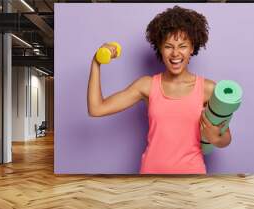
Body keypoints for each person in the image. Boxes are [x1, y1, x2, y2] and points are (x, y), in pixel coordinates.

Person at [87, 6, 231, 174]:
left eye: (183, 46)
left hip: (192, 176)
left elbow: (226, 139)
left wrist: (215, 137)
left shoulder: (208, 89)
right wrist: (96, 63)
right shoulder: (147, 85)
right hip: (150, 176)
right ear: (160, 49)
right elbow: (96, 109)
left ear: (192, 48)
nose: (175, 53)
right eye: (168, 46)